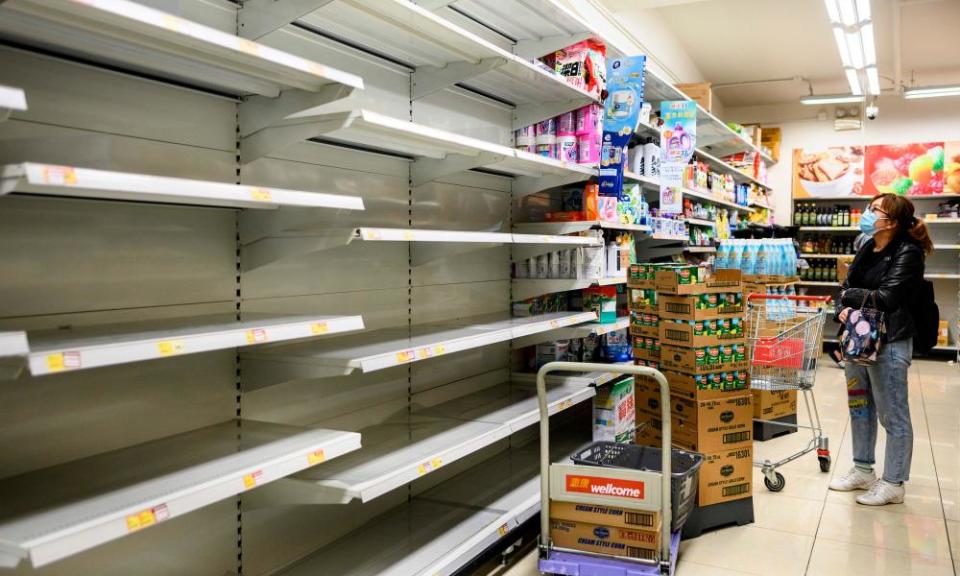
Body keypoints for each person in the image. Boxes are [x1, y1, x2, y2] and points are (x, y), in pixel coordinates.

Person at [828, 193, 933, 505]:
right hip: (858, 337)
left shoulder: (908, 252)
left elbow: (888, 298)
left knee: (893, 413)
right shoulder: (866, 244)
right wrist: (841, 308)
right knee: (860, 406)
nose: (867, 213)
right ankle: (862, 469)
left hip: (890, 340)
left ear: (893, 221)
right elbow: (843, 287)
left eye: (874, 210)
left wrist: (850, 298)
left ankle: (894, 482)